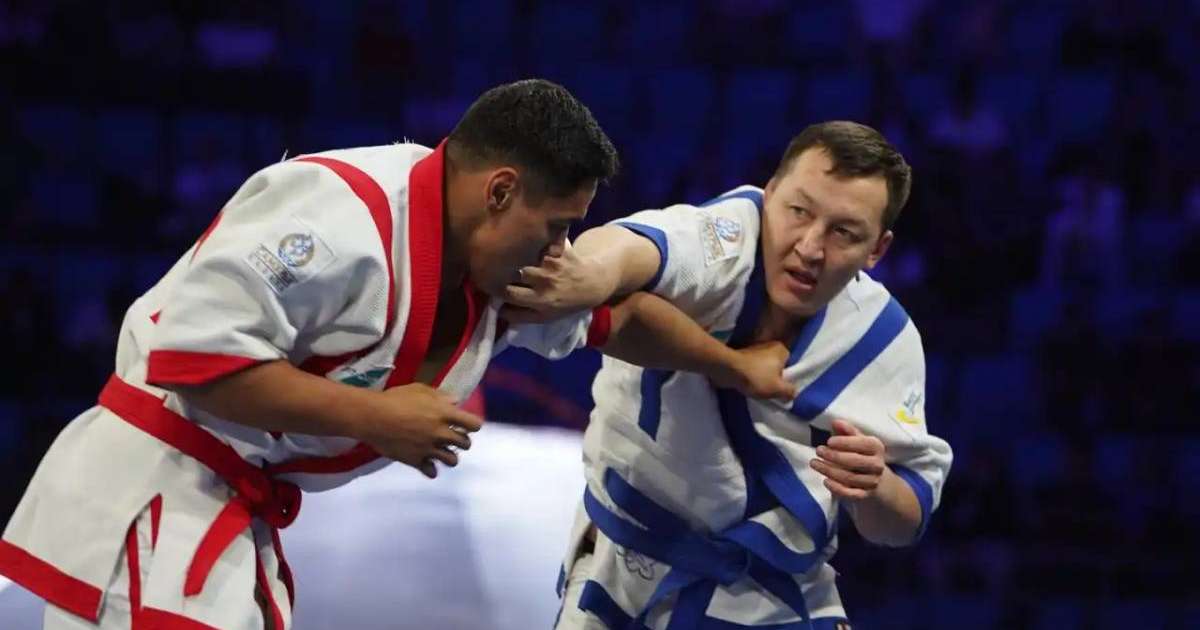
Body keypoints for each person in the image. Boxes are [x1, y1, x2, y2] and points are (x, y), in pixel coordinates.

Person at [0, 79, 793, 630]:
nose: (563, 250)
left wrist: (734, 367)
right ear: (499, 191)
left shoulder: (495, 272)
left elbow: (620, 320)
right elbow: (191, 361)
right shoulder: (342, 213)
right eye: (556, 226)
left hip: (228, 512)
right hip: (157, 493)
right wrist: (375, 416)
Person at [514, 121, 955, 628]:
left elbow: (901, 524)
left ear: (877, 249)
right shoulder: (727, 236)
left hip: (776, 597)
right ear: (769, 194)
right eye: (799, 211)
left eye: (844, 233)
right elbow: (631, 253)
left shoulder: (884, 339)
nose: (811, 248)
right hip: (625, 575)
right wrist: (590, 274)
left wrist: (875, 487)